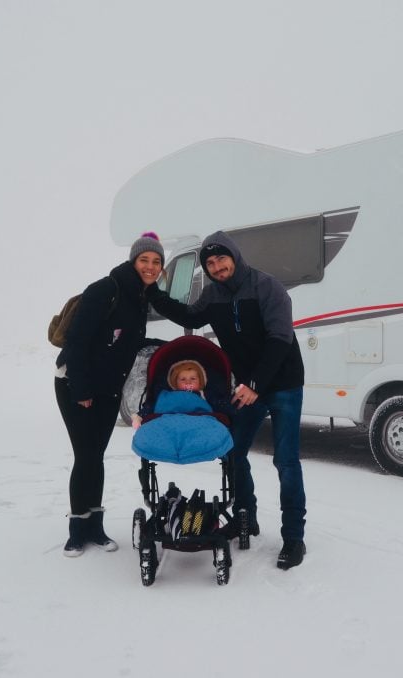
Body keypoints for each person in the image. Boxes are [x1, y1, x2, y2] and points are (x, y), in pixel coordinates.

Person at [146, 230, 308, 570]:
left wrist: (254, 384)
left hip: (282, 384)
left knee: (286, 461)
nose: (217, 266)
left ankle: (294, 538)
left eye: (221, 258)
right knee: (233, 452)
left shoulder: (268, 288)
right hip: (247, 387)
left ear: (234, 256)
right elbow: (190, 316)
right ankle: (246, 516)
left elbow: (279, 340)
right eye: (210, 263)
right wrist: (152, 292)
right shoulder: (213, 294)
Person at [54, 232, 164, 557]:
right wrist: (82, 389)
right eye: (144, 259)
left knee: (96, 456)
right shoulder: (105, 289)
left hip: (108, 388)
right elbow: (77, 342)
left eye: (157, 261)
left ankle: (95, 526)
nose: (150, 266)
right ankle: (77, 530)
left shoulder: (141, 297)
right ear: (133, 260)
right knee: (85, 455)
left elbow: (129, 343)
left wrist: (167, 349)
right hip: (75, 382)